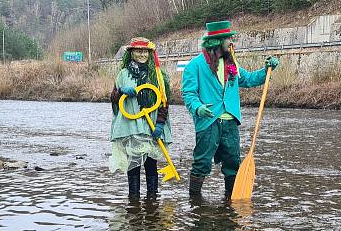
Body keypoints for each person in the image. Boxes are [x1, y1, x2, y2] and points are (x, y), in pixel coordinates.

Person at [181, 21, 279, 199]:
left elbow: (248, 79)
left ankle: (230, 200)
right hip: (208, 121)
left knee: (233, 163)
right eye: (228, 38)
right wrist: (198, 108)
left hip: (230, 122)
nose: (231, 41)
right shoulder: (194, 66)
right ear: (217, 41)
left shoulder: (231, 63)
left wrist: (266, 70)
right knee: (202, 163)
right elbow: (188, 94)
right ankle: (194, 202)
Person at [110, 37, 173, 199]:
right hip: (131, 127)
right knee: (133, 165)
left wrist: (160, 124)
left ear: (150, 53)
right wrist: (121, 91)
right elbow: (114, 99)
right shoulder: (123, 75)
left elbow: (164, 102)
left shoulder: (158, 75)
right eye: (138, 51)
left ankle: (152, 199)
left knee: (151, 165)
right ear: (131, 54)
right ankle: (134, 200)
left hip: (151, 126)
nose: (142, 54)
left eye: (145, 51)